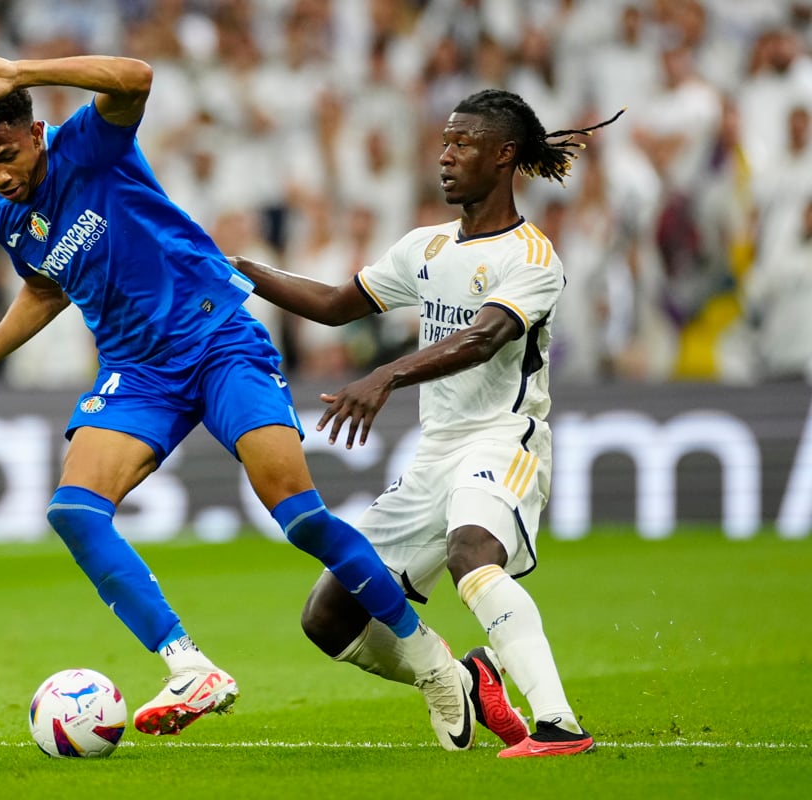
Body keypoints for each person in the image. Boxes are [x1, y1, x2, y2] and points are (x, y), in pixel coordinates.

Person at [0, 54, 465, 742]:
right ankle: (188, 665)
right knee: (74, 512)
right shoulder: (6, 216)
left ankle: (433, 663)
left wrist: (20, 69)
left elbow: (136, 76)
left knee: (299, 516)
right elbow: (46, 288)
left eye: (5, 155)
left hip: (218, 340)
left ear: (36, 132)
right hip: (138, 373)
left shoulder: (89, 144)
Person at [233, 89, 622, 757]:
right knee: (328, 616)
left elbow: (480, 338)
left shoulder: (531, 258)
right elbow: (331, 305)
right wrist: (238, 269)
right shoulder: (426, 246)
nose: (444, 157)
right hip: (434, 454)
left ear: (504, 157)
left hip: (503, 438)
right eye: (443, 142)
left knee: (475, 551)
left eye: (462, 144)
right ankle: (457, 678)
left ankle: (558, 723)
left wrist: (385, 374)